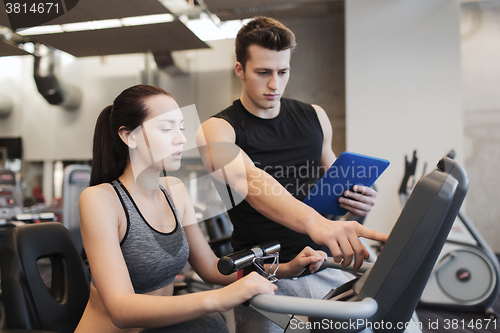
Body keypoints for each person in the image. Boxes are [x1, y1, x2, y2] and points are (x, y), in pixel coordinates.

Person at [74, 84, 329, 333]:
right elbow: (121, 309)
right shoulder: (101, 200)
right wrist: (217, 299)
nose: (181, 139)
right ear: (129, 136)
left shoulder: (174, 190)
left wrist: (284, 268)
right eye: (166, 128)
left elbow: (210, 268)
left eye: (182, 128)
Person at [197, 17, 389, 332]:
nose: (274, 84)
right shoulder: (217, 129)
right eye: (263, 73)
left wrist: (358, 198)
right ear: (240, 70)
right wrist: (317, 223)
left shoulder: (315, 116)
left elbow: (335, 180)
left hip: (324, 262)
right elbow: (250, 181)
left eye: (282, 72)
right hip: (269, 274)